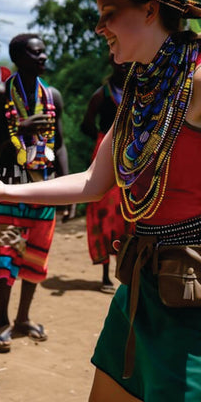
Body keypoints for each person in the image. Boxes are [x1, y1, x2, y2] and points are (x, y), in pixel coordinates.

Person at [0, 0, 201, 402]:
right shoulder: (140, 92)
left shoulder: (198, 81)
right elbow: (94, 182)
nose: (98, 27)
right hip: (143, 283)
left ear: (150, 10)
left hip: (190, 292)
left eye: (108, 14)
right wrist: (7, 189)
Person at [0, 33, 73, 353]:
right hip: (9, 187)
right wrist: (21, 129)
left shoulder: (52, 94)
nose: (43, 58)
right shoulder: (1, 93)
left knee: (36, 256)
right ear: (18, 59)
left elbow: (59, 144)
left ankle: (23, 317)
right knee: (5, 257)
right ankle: (2, 322)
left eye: (44, 52)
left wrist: (67, 187)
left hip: (43, 187)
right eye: (35, 54)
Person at [81, 59, 131, 293]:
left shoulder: (142, 89)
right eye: (119, 62)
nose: (124, 65)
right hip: (108, 152)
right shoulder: (102, 94)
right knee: (104, 210)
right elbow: (87, 124)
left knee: (128, 212)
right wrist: (104, 142)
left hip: (133, 155)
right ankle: (104, 274)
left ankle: (126, 268)